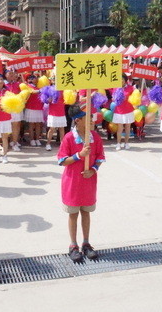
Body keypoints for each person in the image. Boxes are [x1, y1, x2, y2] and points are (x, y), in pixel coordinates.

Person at [57, 103, 105, 262]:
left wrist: (93, 169)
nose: (91, 120)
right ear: (77, 120)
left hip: (88, 181)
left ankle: (86, 243)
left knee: (86, 212)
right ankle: (73, 245)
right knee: (73, 214)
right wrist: (79, 155)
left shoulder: (95, 137)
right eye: (87, 117)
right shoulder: (69, 138)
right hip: (72, 183)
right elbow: (62, 161)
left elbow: (99, 157)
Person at [112, 74, 135, 150]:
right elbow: (113, 98)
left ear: (125, 80)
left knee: (128, 127)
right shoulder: (115, 88)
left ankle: (126, 143)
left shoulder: (131, 88)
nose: (121, 80)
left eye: (122, 79)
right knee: (120, 128)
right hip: (119, 111)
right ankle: (118, 143)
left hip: (128, 110)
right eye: (119, 79)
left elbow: (135, 98)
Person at [0, 73, 12, 163]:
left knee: (5, 137)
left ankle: (5, 155)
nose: (0, 81)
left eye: (1, 79)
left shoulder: (7, 91)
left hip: (6, 117)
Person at [23, 74, 44, 146]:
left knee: (38, 124)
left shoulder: (39, 87)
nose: (31, 80)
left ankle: (37, 139)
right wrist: (41, 90)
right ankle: (32, 139)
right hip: (30, 108)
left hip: (39, 108)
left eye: (33, 78)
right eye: (29, 78)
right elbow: (31, 92)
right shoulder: (27, 87)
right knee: (31, 125)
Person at [5, 70, 22, 151]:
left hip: (15, 108)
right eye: (10, 73)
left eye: (13, 73)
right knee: (6, 126)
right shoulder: (3, 84)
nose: (12, 75)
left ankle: (14, 142)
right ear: (6, 75)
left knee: (15, 125)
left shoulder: (17, 84)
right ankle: (5, 143)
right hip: (6, 108)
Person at [45, 85, 66, 152]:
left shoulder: (64, 90)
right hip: (53, 112)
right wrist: (49, 99)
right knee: (52, 129)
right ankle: (48, 144)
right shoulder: (51, 89)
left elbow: (67, 100)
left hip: (61, 112)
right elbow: (46, 100)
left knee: (61, 129)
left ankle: (62, 144)